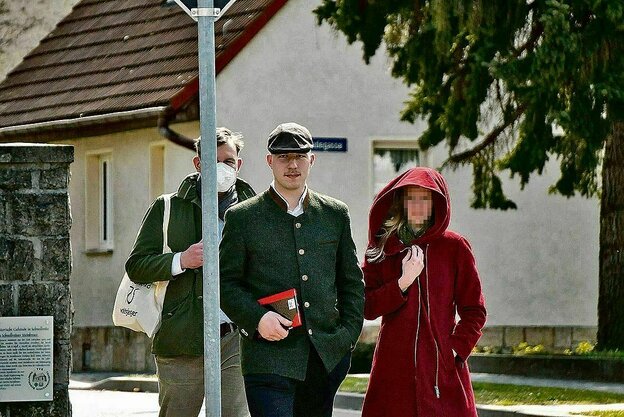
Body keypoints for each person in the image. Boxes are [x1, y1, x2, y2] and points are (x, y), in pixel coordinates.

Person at [219, 122, 364, 417]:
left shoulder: (335, 214)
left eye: (300, 156)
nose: (293, 164)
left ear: (312, 160)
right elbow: (224, 284)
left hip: (325, 357)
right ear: (269, 161)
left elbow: (351, 282)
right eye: (284, 157)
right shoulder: (243, 218)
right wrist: (257, 319)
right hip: (267, 358)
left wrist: (346, 338)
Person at [125, 128, 255, 417]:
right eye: (213, 162)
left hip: (234, 338)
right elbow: (136, 266)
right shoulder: (168, 207)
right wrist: (181, 260)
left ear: (239, 164)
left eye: (229, 162)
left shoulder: (253, 209)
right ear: (198, 165)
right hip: (183, 339)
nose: (222, 168)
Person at [361, 167, 486, 417]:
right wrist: (402, 283)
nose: (417, 206)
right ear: (401, 202)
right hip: (393, 371)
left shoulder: (455, 248)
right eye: (411, 198)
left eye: (424, 198)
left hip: (443, 373)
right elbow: (367, 307)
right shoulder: (384, 248)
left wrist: (453, 351)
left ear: (436, 203)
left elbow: (475, 311)